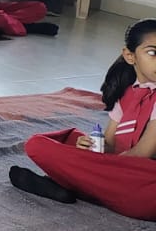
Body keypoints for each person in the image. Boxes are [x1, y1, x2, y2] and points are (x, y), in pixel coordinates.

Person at [10, 18, 156, 221]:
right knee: (38, 144)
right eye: (153, 53)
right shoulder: (126, 94)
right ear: (130, 56)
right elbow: (110, 143)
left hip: (142, 174)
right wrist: (91, 147)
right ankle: (86, 184)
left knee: (148, 195)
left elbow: (142, 153)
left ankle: (69, 183)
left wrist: (97, 164)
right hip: (117, 168)